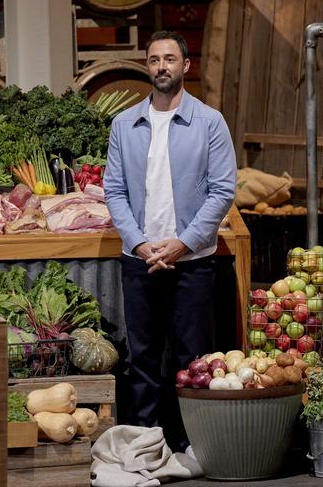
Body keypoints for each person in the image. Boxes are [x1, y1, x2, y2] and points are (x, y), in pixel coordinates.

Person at [103, 30, 236, 453]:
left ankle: (192, 445)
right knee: (142, 359)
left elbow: (222, 191)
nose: (162, 66)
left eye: (170, 59)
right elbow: (114, 191)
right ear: (148, 66)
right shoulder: (124, 124)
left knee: (192, 359)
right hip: (138, 260)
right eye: (155, 59)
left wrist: (182, 244)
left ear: (185, 66)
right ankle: (143, 443)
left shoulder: (209, 122)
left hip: (193, 261)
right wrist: (141, 244)